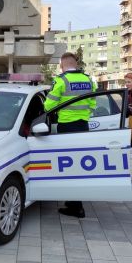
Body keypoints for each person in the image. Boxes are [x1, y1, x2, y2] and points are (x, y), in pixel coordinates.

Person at [44, 52, 96, 218]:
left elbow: (48, 106)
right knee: (78, 165)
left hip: (67, 126)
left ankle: (76, 207)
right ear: (76, 63)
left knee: (68, 167)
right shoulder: (88, 79)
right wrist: (85, 114)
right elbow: (93, 103)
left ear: (62, 65)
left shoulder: (61, 80)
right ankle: (73, 202)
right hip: (83, 125)